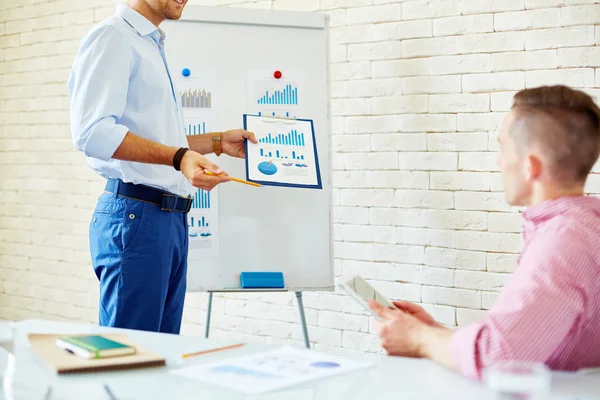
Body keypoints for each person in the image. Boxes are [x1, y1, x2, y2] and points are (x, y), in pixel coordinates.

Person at [369, 85, 600, 380]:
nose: (500, 162)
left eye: (503, 148)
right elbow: (523, 341)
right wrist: (433, 333)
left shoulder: (563, 241)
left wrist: (418, 338)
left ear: (531, 166)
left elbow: (499, 358)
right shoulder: (585, 224)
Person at [68, 0, 257, 334]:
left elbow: (158, 137)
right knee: (130, 357)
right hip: (137, 216)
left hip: (167, 221)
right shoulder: (112, 37)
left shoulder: (149, 44)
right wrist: (179, 158)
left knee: (160, 352)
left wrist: (215, 142)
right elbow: (92, 133)